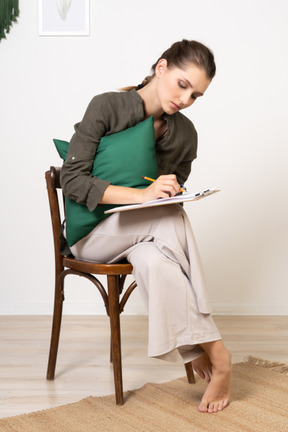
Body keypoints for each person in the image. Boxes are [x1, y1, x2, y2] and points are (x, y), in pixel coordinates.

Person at [60, 39, 231, 413]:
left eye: (196, 95)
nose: (185, 99)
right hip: (93, 235)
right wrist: (142, 196)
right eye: (182, 84)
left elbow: (172, 193)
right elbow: (72, 180)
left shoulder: (185, 134)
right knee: (169, 217)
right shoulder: (107, 106)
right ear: (161, 68)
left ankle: (191, 344)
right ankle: (218, 353)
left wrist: (174, 192)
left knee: (155, 260)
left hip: (144, 232)